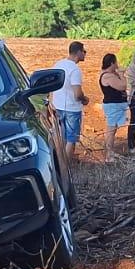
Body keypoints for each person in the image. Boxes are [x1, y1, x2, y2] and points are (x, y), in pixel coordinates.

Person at [49, 41, 88, 173]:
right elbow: (77, 94)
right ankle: (65, 169)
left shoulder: (58, 64)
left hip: (58, 106)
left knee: (61, 138)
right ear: (78, 52)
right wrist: (85, 99)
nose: (85, 54)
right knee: (71, 139)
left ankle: (59, 165)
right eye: (84, 51)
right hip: (72, 108)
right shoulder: (75, 70)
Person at [97, 51, 128, 161]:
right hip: (113, 105)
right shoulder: (107, 76)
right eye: (116, 62)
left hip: (117, 104)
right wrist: (122, 75)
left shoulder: (111, 75)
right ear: (111, 63)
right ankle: (109, 154)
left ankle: (110, 153)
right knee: (111, 130)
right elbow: (122, 86)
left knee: (113, 129)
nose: (117, 65)